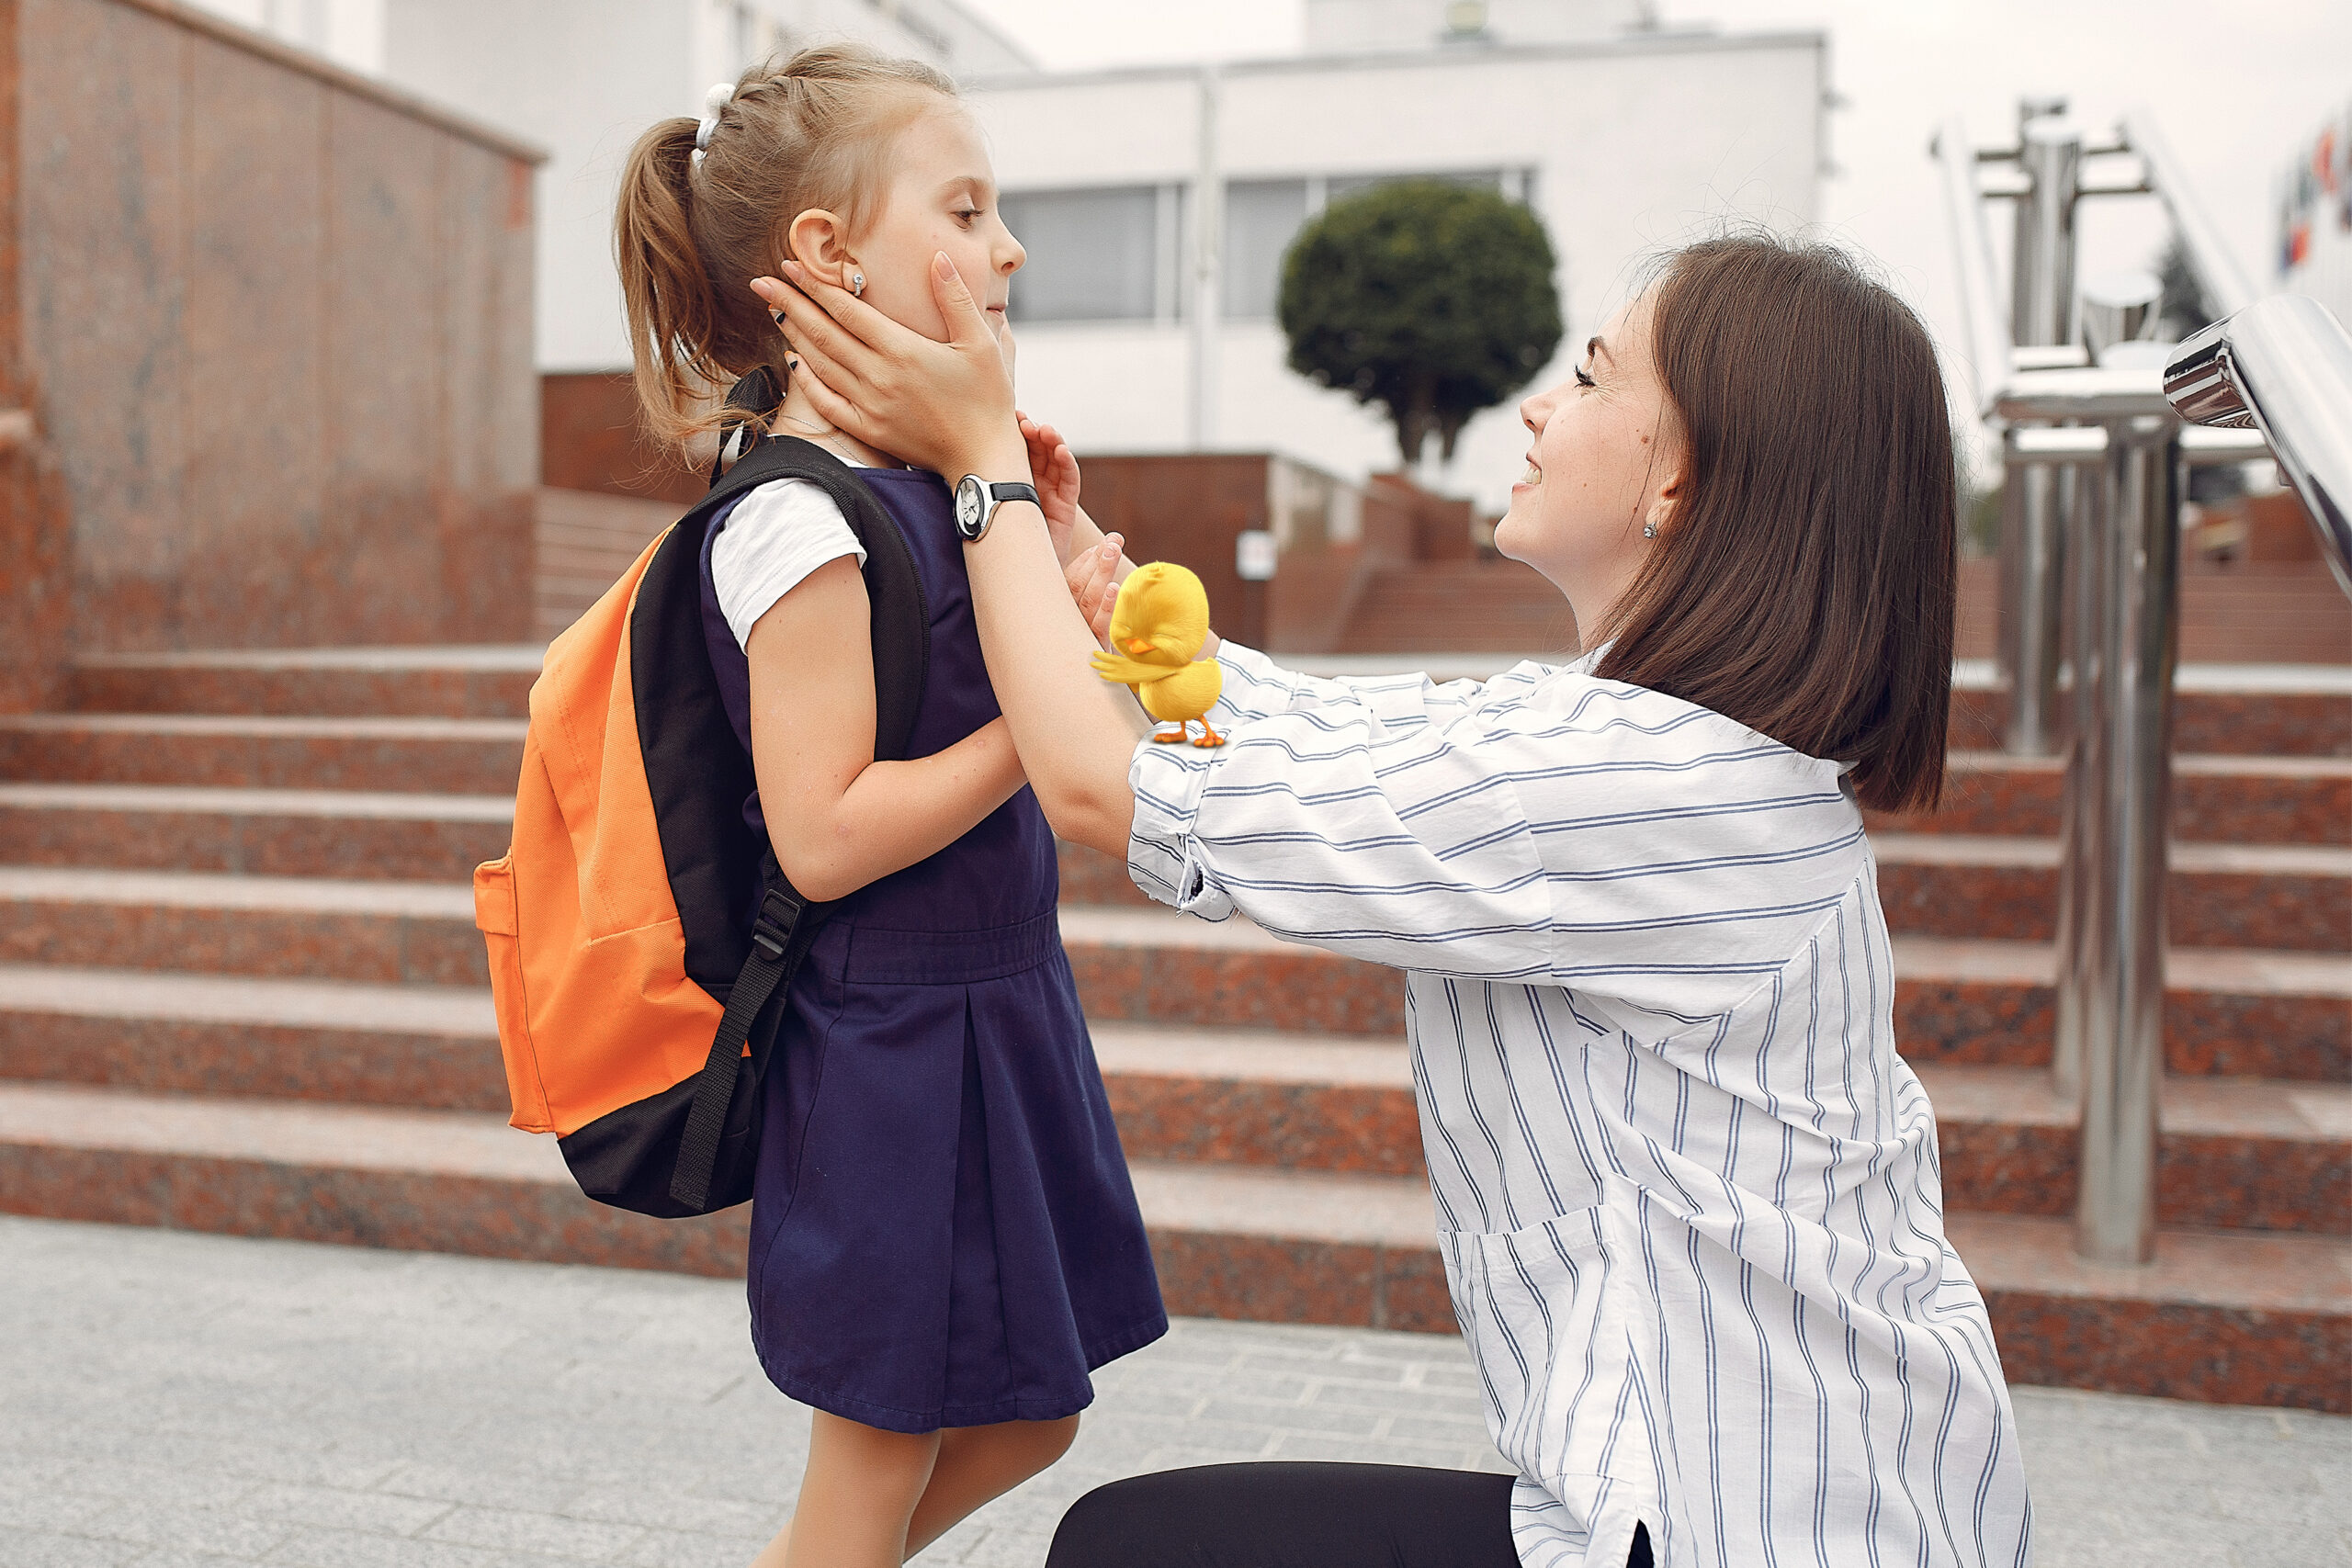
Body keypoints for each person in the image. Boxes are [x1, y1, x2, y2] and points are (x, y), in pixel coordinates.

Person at [755, 228, 2036, 1567]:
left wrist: (985, 482)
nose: (1543, 407)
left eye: (1593, 379)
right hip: (1760, 1506)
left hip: (1761, 1533)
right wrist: (1091, 574)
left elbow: (1099, 789)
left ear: (1682, 479)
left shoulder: (1639, 783)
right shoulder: (1636, 739)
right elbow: (1335, 737)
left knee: (1142, 1554)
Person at [612, 44, 1167, 1568]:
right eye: (969, 206)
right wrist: (1030, 711)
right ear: (826, 252)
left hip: (995, 1006)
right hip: (888, 1051)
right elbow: (827, 832)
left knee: (1029, 1413)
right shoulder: (793, 517)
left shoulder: (932, 476)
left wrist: (1052, 585)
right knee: (869, 1471)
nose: (1009, 247)